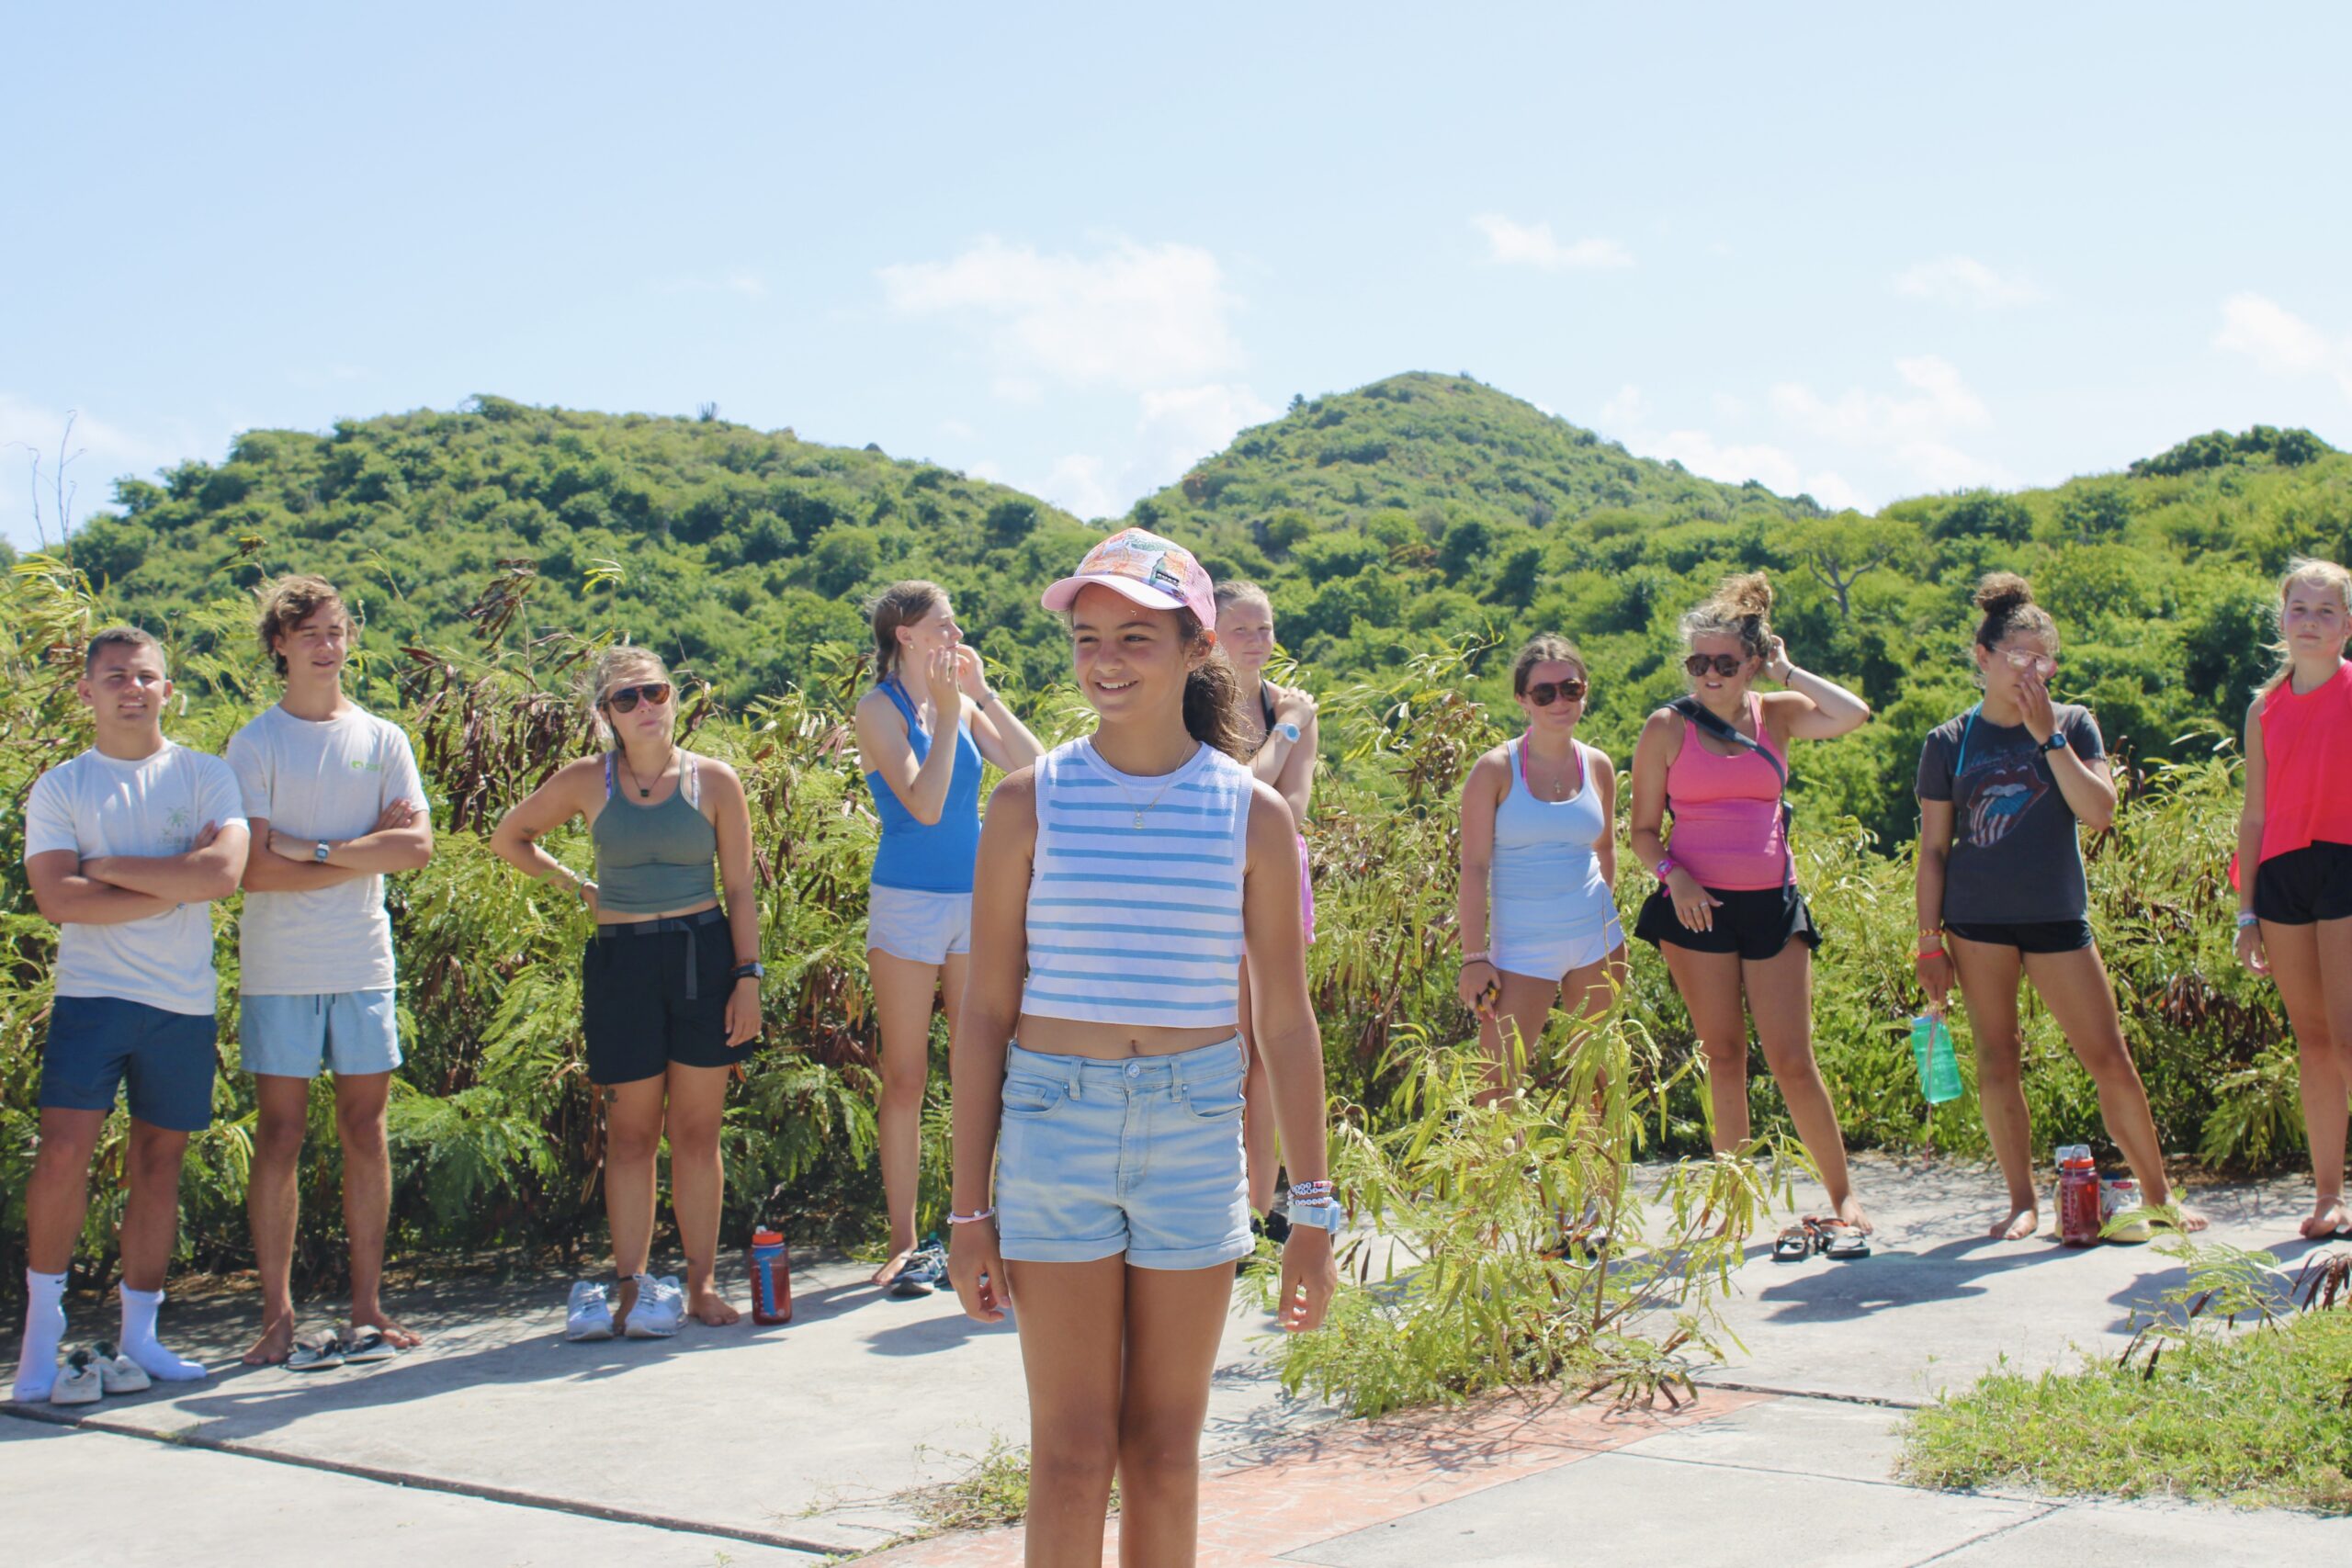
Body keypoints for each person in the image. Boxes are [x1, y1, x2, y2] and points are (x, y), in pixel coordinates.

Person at [945, 527, 1337, 1562]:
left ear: (1197, 647)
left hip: (1195, 1129)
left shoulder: (1253, 815)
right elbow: (984, 1013)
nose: (1105, 661)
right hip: (1053, 1127)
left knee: (1165, 1453)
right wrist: (967, 1208)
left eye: (1134, 638)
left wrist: (1312, 1209)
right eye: (1087, 638)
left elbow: (1284, 1022)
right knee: (1072, 1455)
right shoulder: (1027, 801)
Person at [1916, 574, 2200, 1241]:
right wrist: (1928, 942)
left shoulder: (2072, 723)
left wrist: (2048, 738)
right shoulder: (1948, 741)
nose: (2031, 671)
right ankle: (2022, 1202)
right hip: (1976, 922)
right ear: (1983, 656)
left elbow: (2100, 812)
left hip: (2056, 916)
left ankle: (2159, 1195)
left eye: (2044, 660)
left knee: (2109, 1056)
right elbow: (1932, 851)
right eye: (2018, 655)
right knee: (1998, 1057)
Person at [490, 647, 763, 1337]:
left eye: (655, 692)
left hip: (703, 957)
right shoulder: (588, 780)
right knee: (632, 1135)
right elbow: (510, 837)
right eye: (626, 698)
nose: (644, 707)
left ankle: (701, 1285)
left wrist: (748, 978)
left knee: (697, 1132)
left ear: (674, 698)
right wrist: (578, 886)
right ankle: (633, 1287)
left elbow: (739, 888)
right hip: (621, 963)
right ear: (605, 713)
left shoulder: (715, 780)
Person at [13, 627, 249, 1402]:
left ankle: (140, 1337)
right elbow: (58, 898)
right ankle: (40, 1340)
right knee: (62, 1154)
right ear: (87, 691)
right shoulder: (62, 787)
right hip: (92, 998)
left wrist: (109, 868)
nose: (132, 689)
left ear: (167, 689)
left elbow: (222, 874)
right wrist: (173, 881)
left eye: (146, 676)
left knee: (159, 1163)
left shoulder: (206, 774)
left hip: (181, 1001)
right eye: (115, 676)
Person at [1628, 572, 1874, 1239]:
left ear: (1751, 663)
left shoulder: (1779, 713)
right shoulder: (1666, 727)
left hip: (1772, 902)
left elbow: (1853, 714)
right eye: (1698, 663)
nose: (1710, 674)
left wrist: (1786, 669)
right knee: (1726, 1053)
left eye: (1725, 662)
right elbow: (1642, 832)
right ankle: (1732, 1207)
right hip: (1696, 908)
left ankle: (1843, 1195)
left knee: (1793, 1059)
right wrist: (1675, 877)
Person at [229, 577, 436, 1367]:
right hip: (279, 966)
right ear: (280, 644)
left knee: (364, 1129)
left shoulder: (383, 738)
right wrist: (359, 850)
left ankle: (367, 1307)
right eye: (309, 632)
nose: (326, 645)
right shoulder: (254, 744)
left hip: (361, 959)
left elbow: (415, 848)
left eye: (336, 630)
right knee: (279, 1133)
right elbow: (252, 869)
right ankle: (277, 1316)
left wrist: (310, 848)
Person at [854, 581, 1044, 1293]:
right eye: (944, 624)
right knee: (905, 1076)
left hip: (975, 902)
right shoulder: (879, 710)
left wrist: (981, 695)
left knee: (980, 1067)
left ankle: (982, 1218)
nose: (956, 634)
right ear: (905, 635)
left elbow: (1033, 768)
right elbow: (926, 805)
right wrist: (941, 711)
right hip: (906, 905)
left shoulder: (961, 701)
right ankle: (904, 1240)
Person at [2234, 558, 2352, 1240]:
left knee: (2348, 1035)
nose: (2310, 621)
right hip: (2281, 879)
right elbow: (2254, 815)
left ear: (2346, 626)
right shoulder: (2263, 708)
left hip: (2345, 863)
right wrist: (2246, 912)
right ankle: (2329, 1196)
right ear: (2281, 620)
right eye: (2298, 609)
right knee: (2313, 1041)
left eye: (2325, 610)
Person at [1456, 635, 1626, 1103]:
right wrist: (1474, 957)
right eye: (1544, 692)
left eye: (1570, 689)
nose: (1559, 701)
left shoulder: (1598, 766)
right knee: (1494, 1094)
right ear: (1522, 700)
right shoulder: (1494, 770)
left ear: (1584, 691)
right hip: (1520, 950)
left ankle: (1595, 1161)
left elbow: (1605, 849)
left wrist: (1601, 917)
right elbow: (1473, 867)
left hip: (1597, 943)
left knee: (1598, 1088)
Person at [1212, 580, 1319, 1235]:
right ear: (1212, 635)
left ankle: (1260, 1203)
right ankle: (1227, 1196)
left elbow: (1293, 809)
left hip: (1276, 881)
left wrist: (1284, 731)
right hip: (1214, 886)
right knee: (1228, 1046)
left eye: (1265, 628)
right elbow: (1236, 792)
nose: (1257, 641)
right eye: (1241, 629)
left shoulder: (1291, 706)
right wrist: (1284, 733)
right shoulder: (1199, 705)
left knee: (1269, 1050)